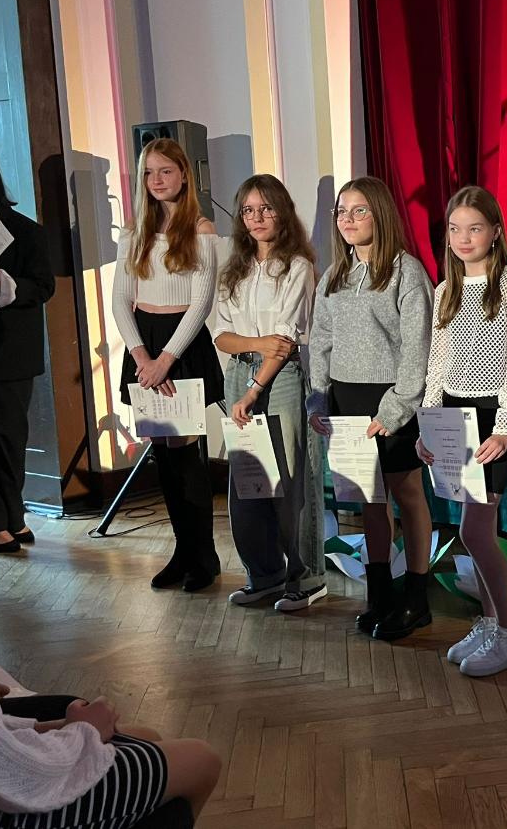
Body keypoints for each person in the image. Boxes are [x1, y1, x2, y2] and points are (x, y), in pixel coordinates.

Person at [308, 176, 434, 641]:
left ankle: (416, 597)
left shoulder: (407, 273)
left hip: (392, 399)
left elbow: (418, 347)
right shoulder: (333, 276)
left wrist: (396, 408)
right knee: (368, 499)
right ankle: (379, 593)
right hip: (346, 400)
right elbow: (320, 339)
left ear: (379, 213)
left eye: (359, 210)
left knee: (407, 495)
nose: (348, 219)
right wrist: (319, 395)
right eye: (342, 211)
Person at [416, 186, 507, 677]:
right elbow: (437, 363)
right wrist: (428, 422)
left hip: (494, 418)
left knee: (474, 529)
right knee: (473, 527)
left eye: (475, 228)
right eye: (455, 229)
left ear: (495, 232)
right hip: (453, 417)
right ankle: (489, 624)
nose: (464, 238)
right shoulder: (446, 290)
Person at [113, 139, 224, 592]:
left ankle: (204, 557)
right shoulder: (133, 232)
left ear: (183, 175)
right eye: (148, 172)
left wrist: (165, 360)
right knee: (162, 453)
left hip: (181, 346)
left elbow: (201, 304)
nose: (156, 180)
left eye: (165, 171)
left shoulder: (201, 229)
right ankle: (181, 552)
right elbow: (121, 300)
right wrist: (141, 356)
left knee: (186, 455)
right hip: (145, 345)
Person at [214, 175, 327, 611]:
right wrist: (257, 344)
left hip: (278, 379)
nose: (256, 217)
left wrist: (253, 388)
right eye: (248, 210)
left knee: (287, 482)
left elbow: (284, 342)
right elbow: (222, 336)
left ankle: (306, 576)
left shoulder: (297, 266)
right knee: (247, 480)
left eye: (266, 208)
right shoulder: (235, 268)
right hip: (238, 372)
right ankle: (264, 574)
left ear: (282, 212)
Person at [0, 685, 221, 827]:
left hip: (7, 770)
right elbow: (22, 775)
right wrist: (83, 731)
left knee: (146, 735)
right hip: (8, 807)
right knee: (201, 760)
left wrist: (46, 728)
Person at [0, 150, 54, 555]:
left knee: (10, 438)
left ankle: (13, 513)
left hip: (9, 354)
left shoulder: (24, 231)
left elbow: (44, 286)